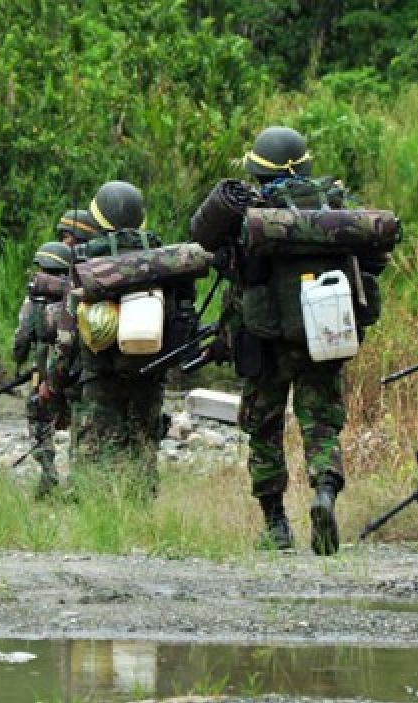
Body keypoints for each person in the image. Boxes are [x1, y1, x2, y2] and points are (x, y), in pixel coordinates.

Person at [212, 126, 381, 555]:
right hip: (325, 334)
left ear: (259, 170)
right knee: (321, 424)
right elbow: (372, 261)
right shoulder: (334, 208)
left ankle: (276, 526)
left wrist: (224, 334)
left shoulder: (254, 215)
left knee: (264, 427)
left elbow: (231, 278)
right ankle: (324, 493)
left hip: (267, 341)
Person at [44, 181, 187, 492]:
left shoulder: (88, 265)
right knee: (143, 449)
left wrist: (54, 384)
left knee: (93, 457)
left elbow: (66, 338)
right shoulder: (160, 261)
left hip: (99, 376)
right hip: (149, 373)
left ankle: (97, 518)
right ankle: (139, 516)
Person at [13, 240, 73, 497]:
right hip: (72, 373)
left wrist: (19, 358)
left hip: (43, 376)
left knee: (39, 420)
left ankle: (48, 473)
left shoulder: (32, 303)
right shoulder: (75, 298)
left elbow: (21, 340)